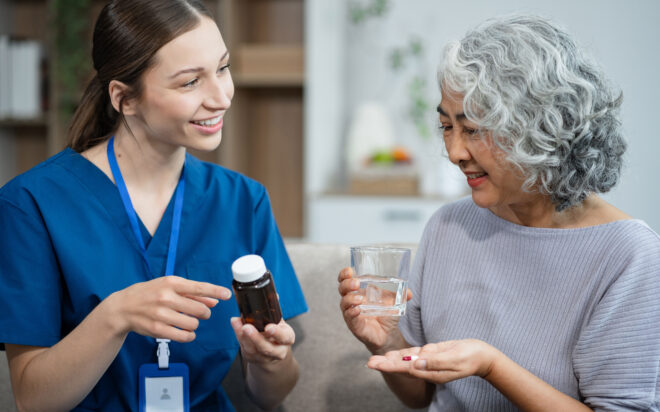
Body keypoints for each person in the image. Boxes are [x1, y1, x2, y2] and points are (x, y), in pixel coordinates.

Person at [338, 15, 660, 411]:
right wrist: (386, 341)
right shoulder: (449, 226)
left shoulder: (630, 255)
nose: (455, 152)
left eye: (473, 130)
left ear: (542, 128)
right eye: (446, 126)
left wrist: (491, 366)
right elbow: (421, 397)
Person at [0, 1, 307, 411]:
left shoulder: (242, 201)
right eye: (189, 83)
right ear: (125, 99)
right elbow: (33, 400)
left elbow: (271, 394)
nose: (220, 97)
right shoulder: (31, 204)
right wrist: (116, 316)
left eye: (223, 68)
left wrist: (270, 360)